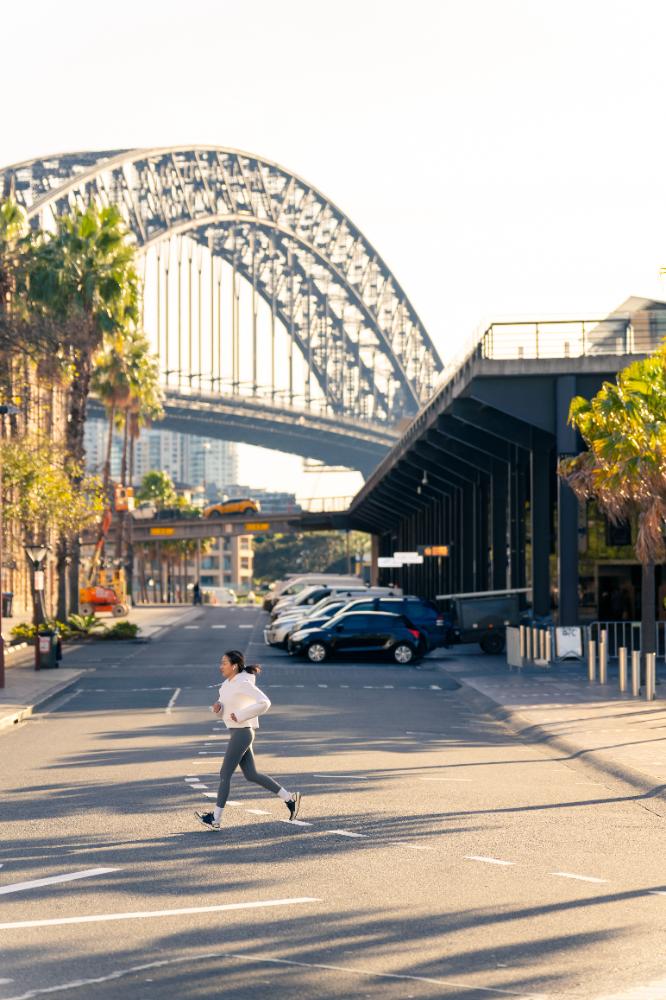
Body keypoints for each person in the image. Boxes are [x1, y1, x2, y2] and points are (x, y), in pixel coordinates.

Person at [195, 649, 302, 831]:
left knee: (224, 774)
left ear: (234, 666)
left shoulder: (243, 683)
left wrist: (242, 714)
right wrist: (218, 708)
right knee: (251, 774)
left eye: (224, 663)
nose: (221, 666)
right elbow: (226, 709)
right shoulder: (227, 684)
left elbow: (265, 702)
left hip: (242, 733)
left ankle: (215, 819)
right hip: (238, 732)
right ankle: (289, 797)